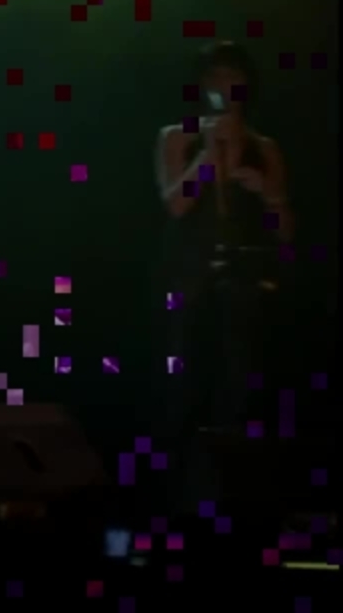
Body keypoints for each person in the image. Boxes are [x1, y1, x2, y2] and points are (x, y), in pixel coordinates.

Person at [153, 40, 293, 513]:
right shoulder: (176, 137)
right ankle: (172, 504)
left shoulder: (264, 148)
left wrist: (269, 193)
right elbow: (176, 204)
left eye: (232, 78)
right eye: (215, 78)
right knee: (179, 395)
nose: (223, 87)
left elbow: (285, 231)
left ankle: (231, 505)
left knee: (238, 395)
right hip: (187, 283)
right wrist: (209, 153)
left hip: (243, 288)